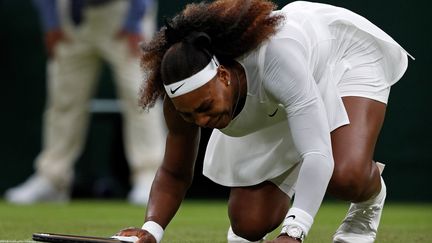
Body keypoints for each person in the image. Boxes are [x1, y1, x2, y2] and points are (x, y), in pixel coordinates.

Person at [116, 0, 413, 242]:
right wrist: (151, 229)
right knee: (249, 223)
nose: (202, 121)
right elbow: (175, 172)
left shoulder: (277, 57)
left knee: (346, 175)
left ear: (223, 77)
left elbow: (317, 153)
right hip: (279, 99)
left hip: (341, 54)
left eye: (205, 107)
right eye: (190, 115)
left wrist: (292, 233)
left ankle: (368, 204)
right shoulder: (183, 100)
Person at [4, 0, 165, 205]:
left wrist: (133, 22)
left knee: (141, 98)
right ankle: (53, 179)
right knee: (64, 100)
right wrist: (52, 23)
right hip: (70, 17)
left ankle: (150, 178)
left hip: (123, 11)